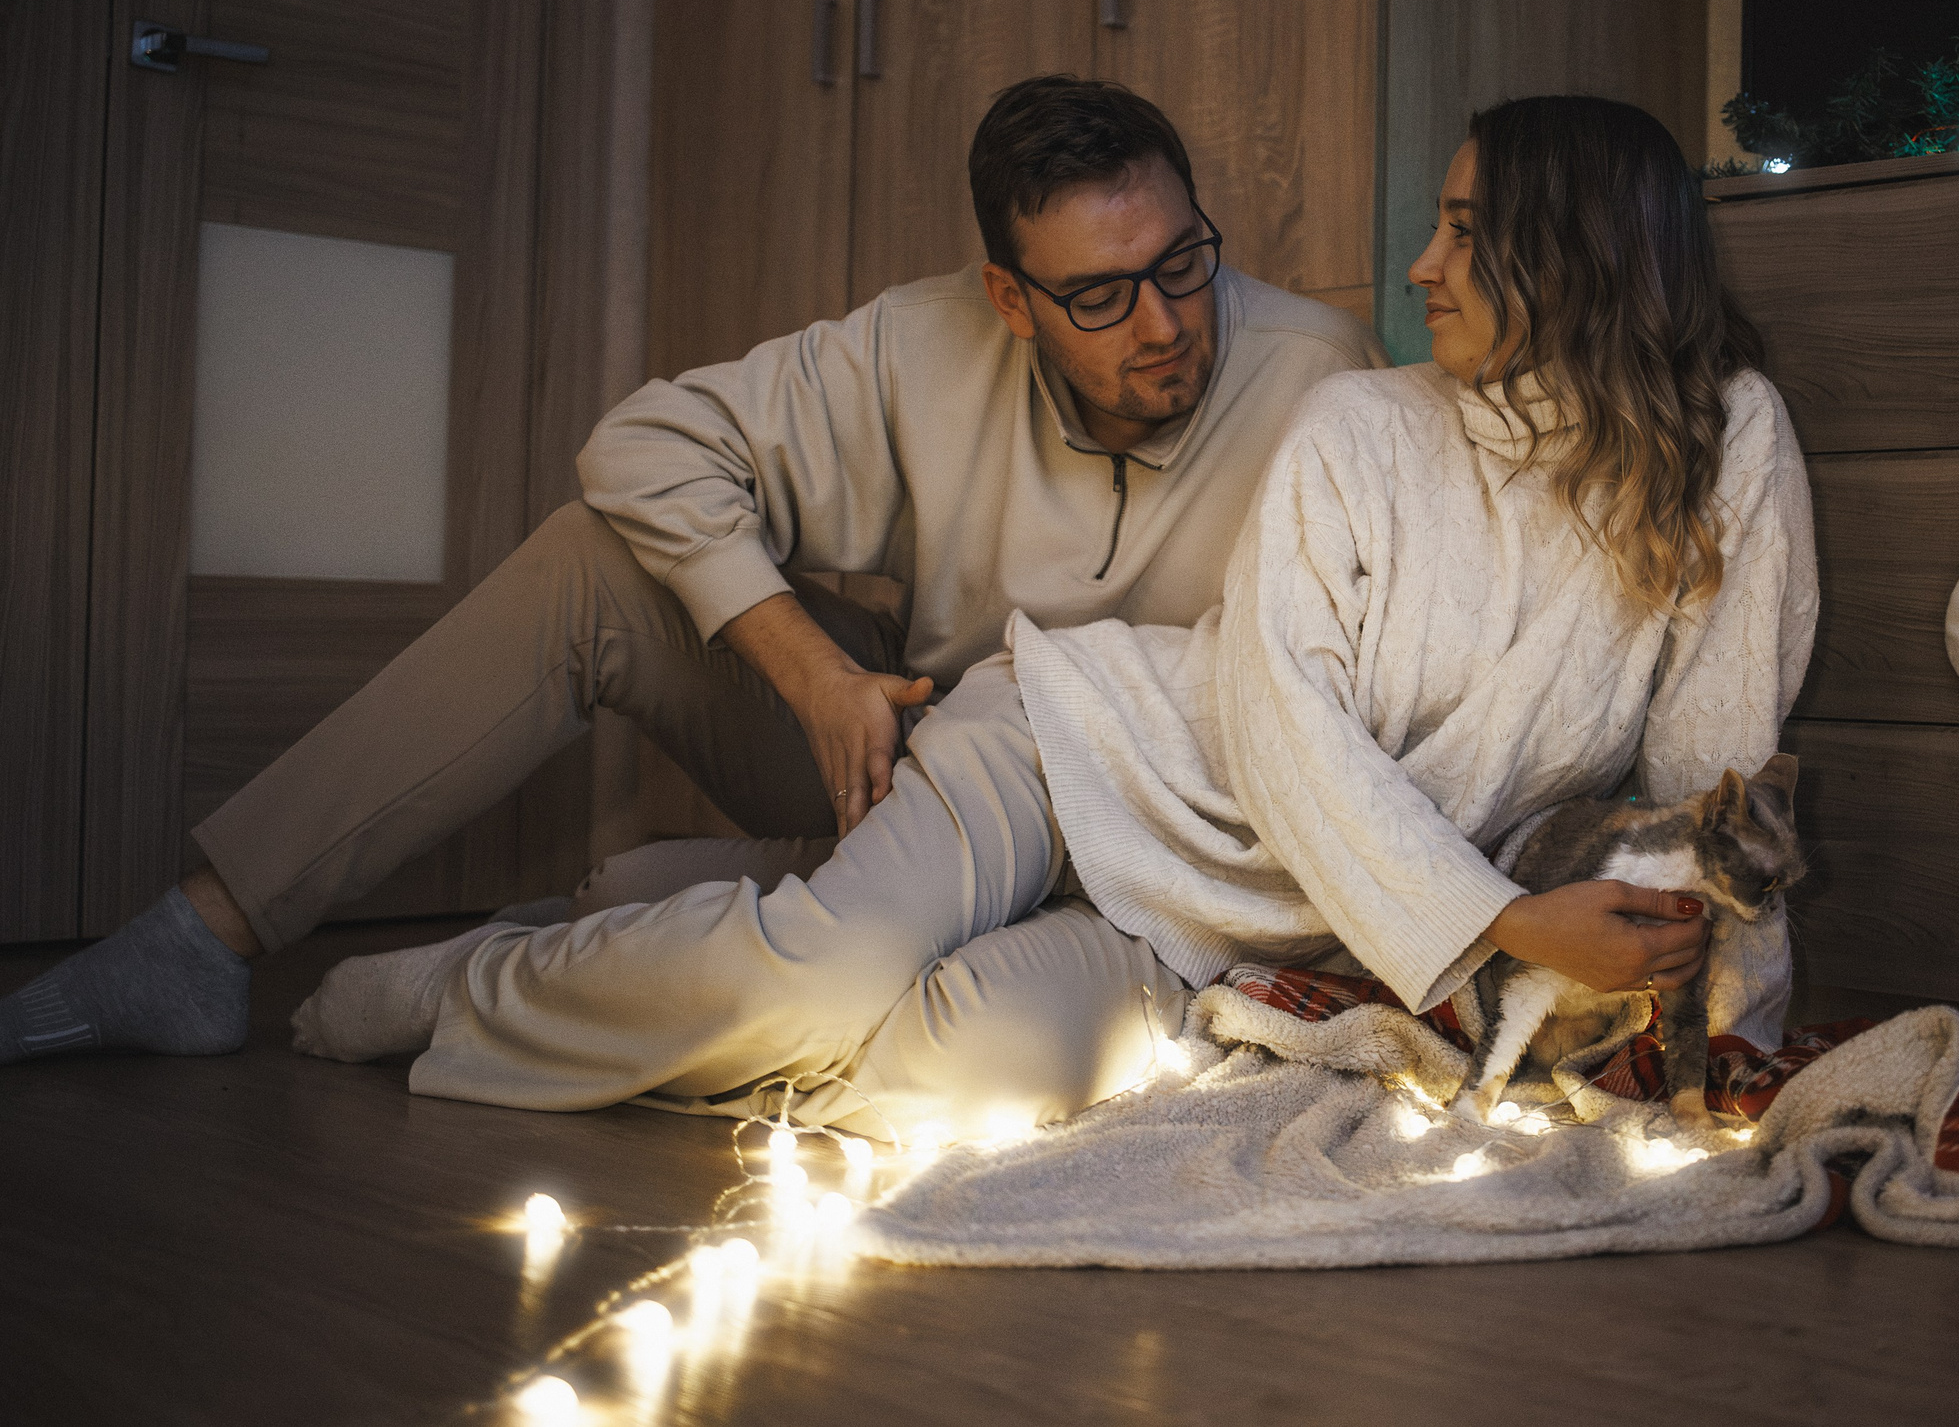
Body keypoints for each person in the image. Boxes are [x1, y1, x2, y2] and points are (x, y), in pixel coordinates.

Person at [258, 94, 1816, 1146]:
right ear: (1018, 298)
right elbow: (1281, 712)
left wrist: (1727, 1029)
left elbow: (1714, 791)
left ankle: (694, 921)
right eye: (1443, 224)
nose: (1421, 265)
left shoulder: (1722, 441)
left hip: (1211, 914)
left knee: (952, 1082)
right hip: (1073, 743)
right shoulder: (1368, 424)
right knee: (817, 984)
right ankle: (460, 987)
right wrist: (1488, 922)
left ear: (1577, 249)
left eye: (1466, 230)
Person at [0, 76, 1385, 1074]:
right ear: (1010, 300)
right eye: (1098, 294)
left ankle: (659, 919)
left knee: (962, 1034)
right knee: (598, 562)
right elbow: (644, 447)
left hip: (1133, 854)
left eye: (1183, 263)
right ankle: (206, 934)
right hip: (905, 760)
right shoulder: (922, 344)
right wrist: (816, 675)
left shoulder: (1324, 380)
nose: (1164, 322)